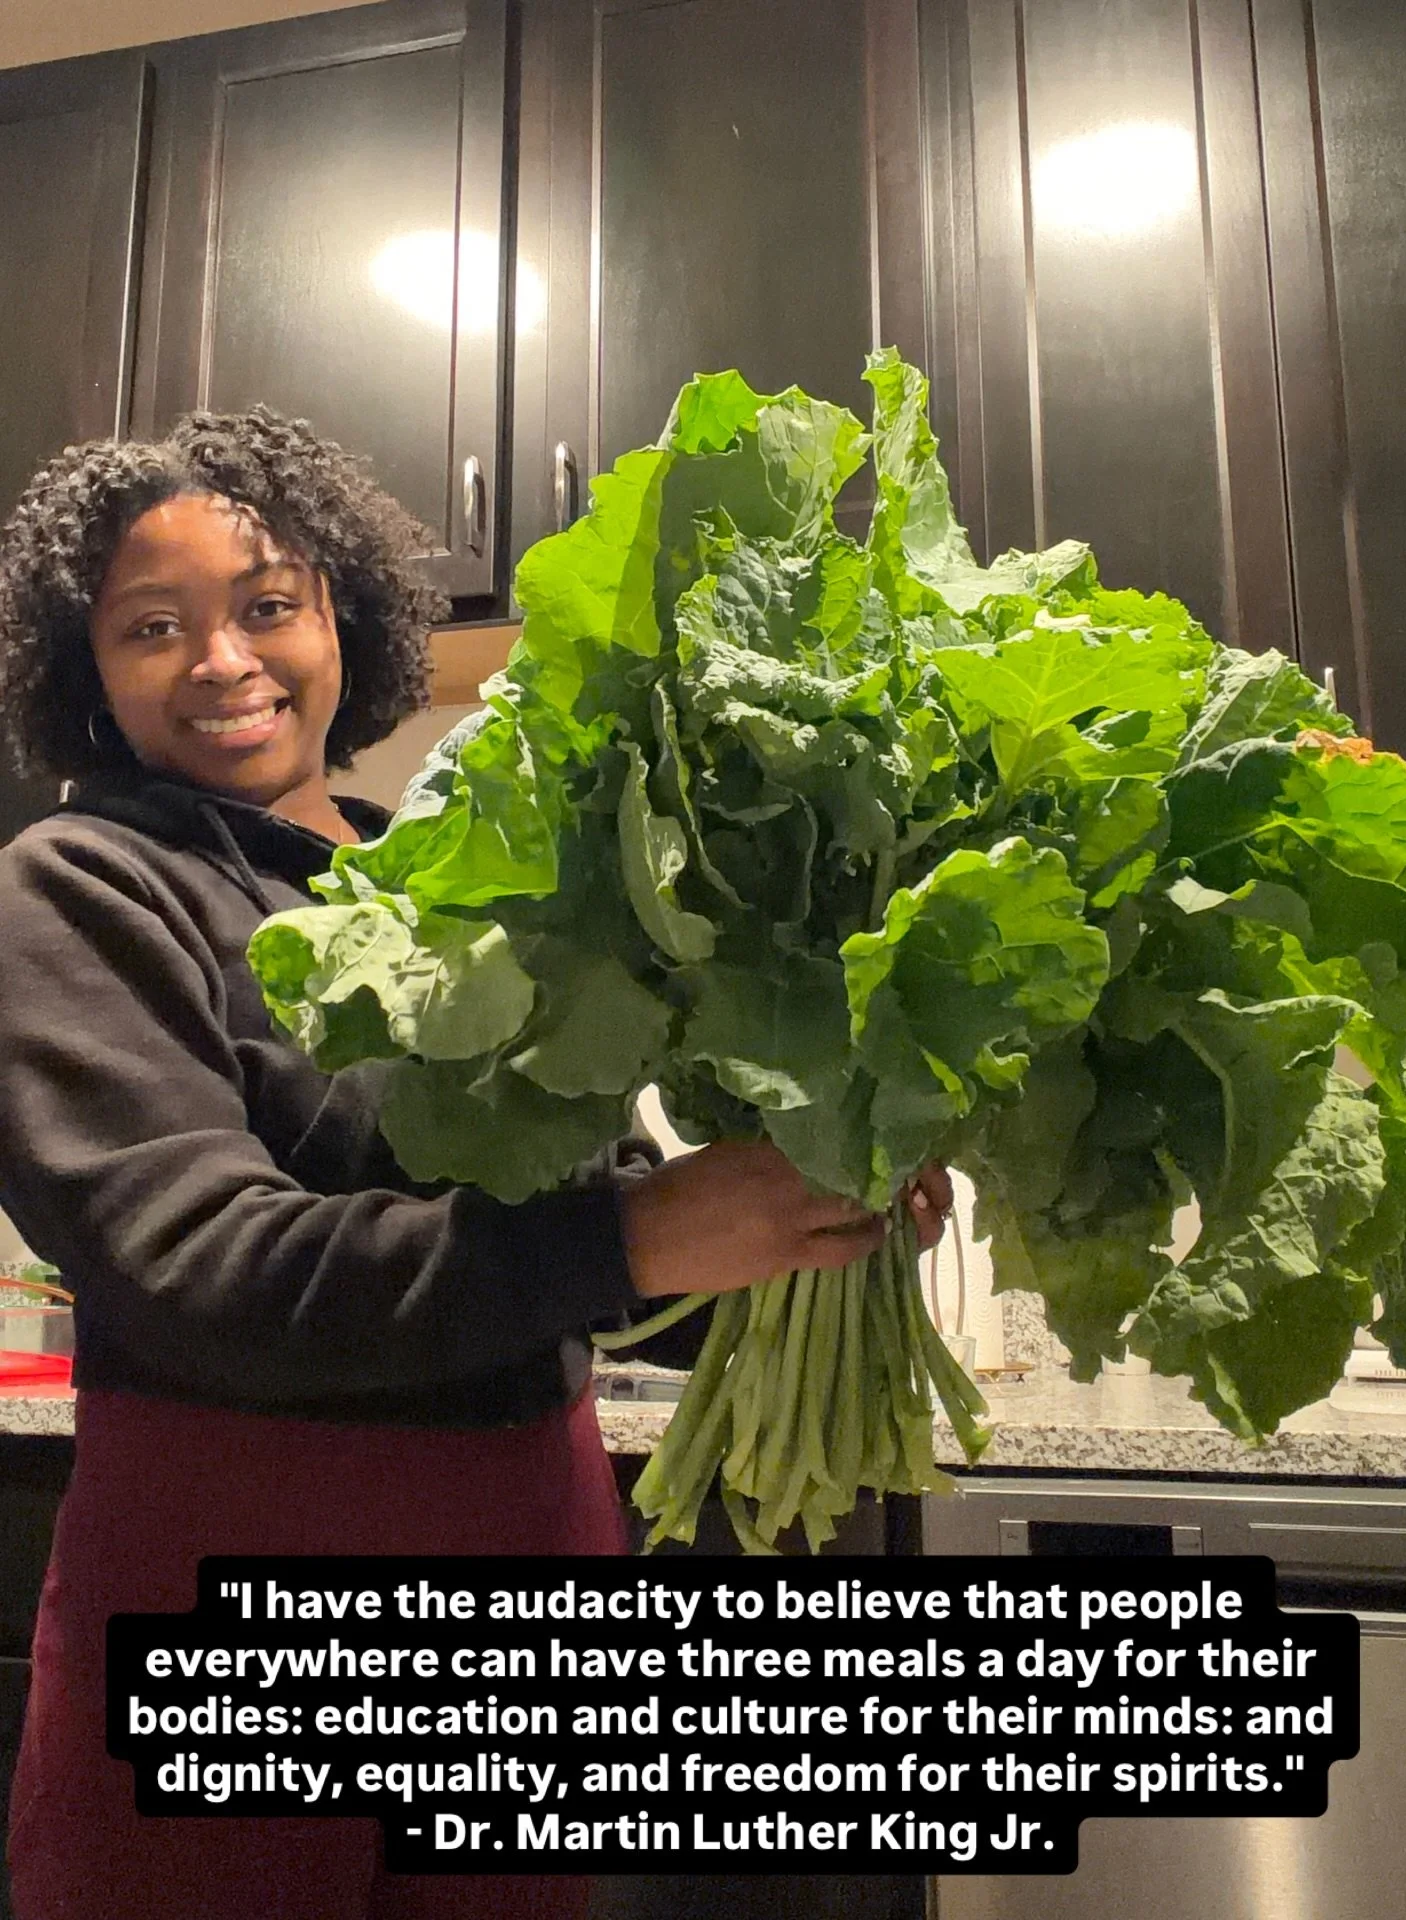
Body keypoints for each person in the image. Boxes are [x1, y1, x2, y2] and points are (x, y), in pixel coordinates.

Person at [0, 410, 951, 1920]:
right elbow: (207, 1273)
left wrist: (806, 1209)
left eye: (267, 606)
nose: (223, 660)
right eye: (151, 627)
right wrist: (643, 1238)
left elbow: (571, 1244)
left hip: (533, 1556)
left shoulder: (466, 883)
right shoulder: (79, 887)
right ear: (86, 673)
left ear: (344, 619)